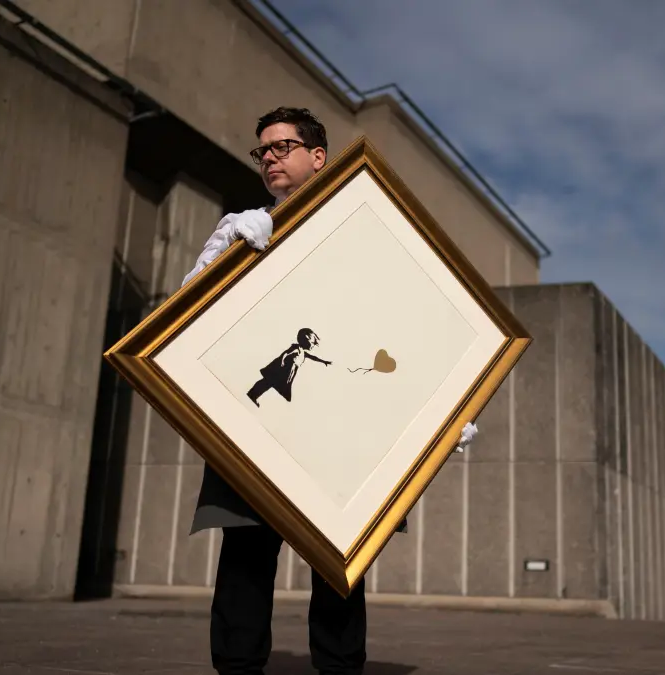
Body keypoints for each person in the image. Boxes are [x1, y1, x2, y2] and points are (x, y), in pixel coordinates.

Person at [181, 107, 479, 675]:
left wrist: (447, 403)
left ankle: (340, 668)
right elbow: (186, 321)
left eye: (282, 146)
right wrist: (222, 256)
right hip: (257, 428)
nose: (269, 157)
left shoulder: (364, 235)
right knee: (246, 554)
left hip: (336, 428)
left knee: (340, 560)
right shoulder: (243, 229)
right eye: (262, 150)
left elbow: (396, 328)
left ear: (318, 156)